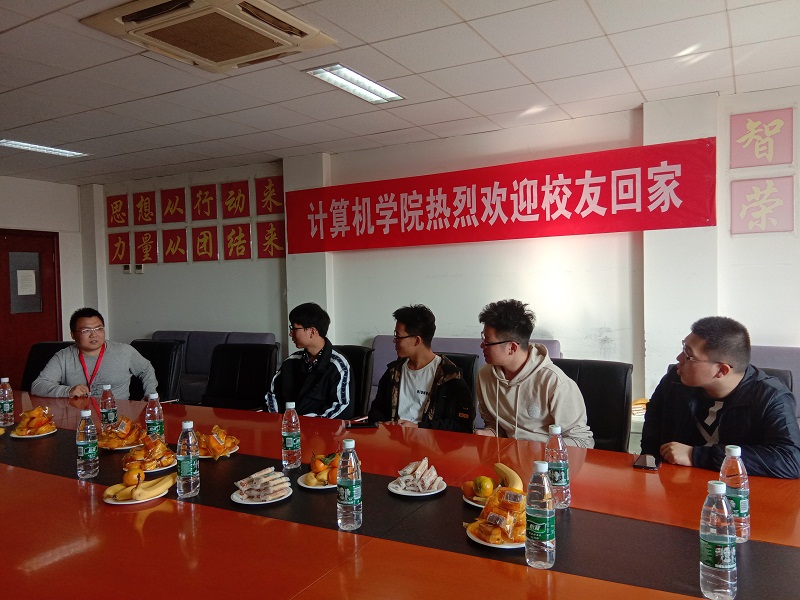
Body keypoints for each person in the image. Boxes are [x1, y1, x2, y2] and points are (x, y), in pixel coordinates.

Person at [641, 316, 800, 478]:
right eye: (683, 348)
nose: (679, 359)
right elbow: (652, 430)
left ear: (721, 370)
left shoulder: (771, 397)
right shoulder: (675, 381)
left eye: (689, 355)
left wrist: (696, 455)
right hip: (678, 483)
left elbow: (791, 460)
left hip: (738, 488)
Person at [475, 299, 594, 447]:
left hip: (546, 459)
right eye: (483, 337)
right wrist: (490, 433)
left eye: (487, 341)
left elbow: (582, 442)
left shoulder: (555, 383)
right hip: (506, 456)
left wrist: (532, 448)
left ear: (512, 348)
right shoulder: (485, 375)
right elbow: (494, 424)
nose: (482, 345)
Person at [368, 304, 474, 432]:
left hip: (430, 441)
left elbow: (462, 426)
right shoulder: (393, 372)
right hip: (393, 439)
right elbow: (376, 410)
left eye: (398, 336)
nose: (394, 340)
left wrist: (418, 428)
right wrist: (383, 423)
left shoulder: (450, 377)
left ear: (417, 341)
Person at [31, 307, 157, 399]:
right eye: (86, 330)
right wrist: (67, 391)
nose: (94, 335)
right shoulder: (63, 357)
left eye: (99, 329)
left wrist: (150, 393)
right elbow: (38, 385)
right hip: (79, 416)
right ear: (73, 335)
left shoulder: (124, 351)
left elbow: (146, 369)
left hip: (117, 416)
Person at [265, 302, 353, 419]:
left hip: (319, 428)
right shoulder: (291, 361)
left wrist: (304, 422)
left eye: (294, 329)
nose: (290, 334)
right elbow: (272, 394)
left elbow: (341, 407)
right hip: (287, 426)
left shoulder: (338, 365)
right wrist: (278, 419)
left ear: (312, 331)